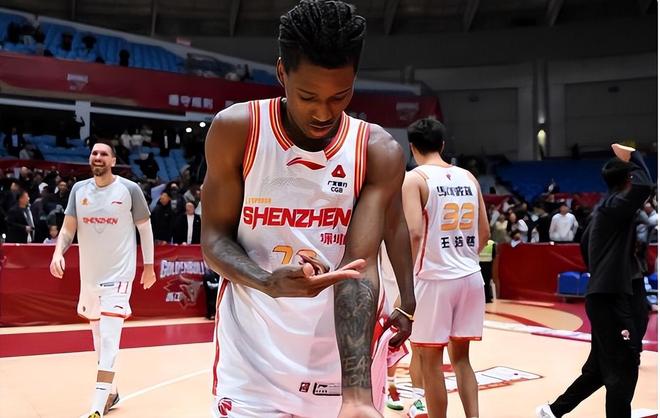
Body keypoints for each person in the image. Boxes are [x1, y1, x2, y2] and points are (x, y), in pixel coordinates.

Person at [200, 1, 415, 417]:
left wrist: (356, 394)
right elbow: (213, 240)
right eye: (307, 96)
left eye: (340, 96)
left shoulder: (376, 150)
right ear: (282, 72)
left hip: (339, 357)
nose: (323, 112)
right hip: (251, 361)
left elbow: (359, 266)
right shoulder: (237, 130)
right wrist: (266, 281)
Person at [536, 144, 654, 418]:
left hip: (613, 294)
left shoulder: (608, 210)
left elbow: (585, 245)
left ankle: (552, 412)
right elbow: (645, 186)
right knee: (623, 367)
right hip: (612, 299)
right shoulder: (614, 207)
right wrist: (633, 155)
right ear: (628, 180)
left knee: (600, 369)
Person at [49, 141, 156, 418]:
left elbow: (145, 229)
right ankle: (112, 391)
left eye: (104, 154)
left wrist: (149, 266)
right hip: (90, 278)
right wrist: (58, 253)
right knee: (99, 339)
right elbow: (67, 229)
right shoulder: (78, 190)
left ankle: (96, 407)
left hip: (119, 276)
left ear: (113, 161)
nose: (98, 157)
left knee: (109, 339)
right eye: (94, 153)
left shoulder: (129, 189)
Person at [401, 118, 489, 418]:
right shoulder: (469, 177)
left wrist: (406, 283)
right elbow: (484, 233)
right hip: (471, 276)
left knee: (430, 362)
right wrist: (461, 258)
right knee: (462, 359)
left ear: (412, 148)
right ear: (442, 144)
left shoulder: (414, 179)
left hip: (434, 278)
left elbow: (414, 233)